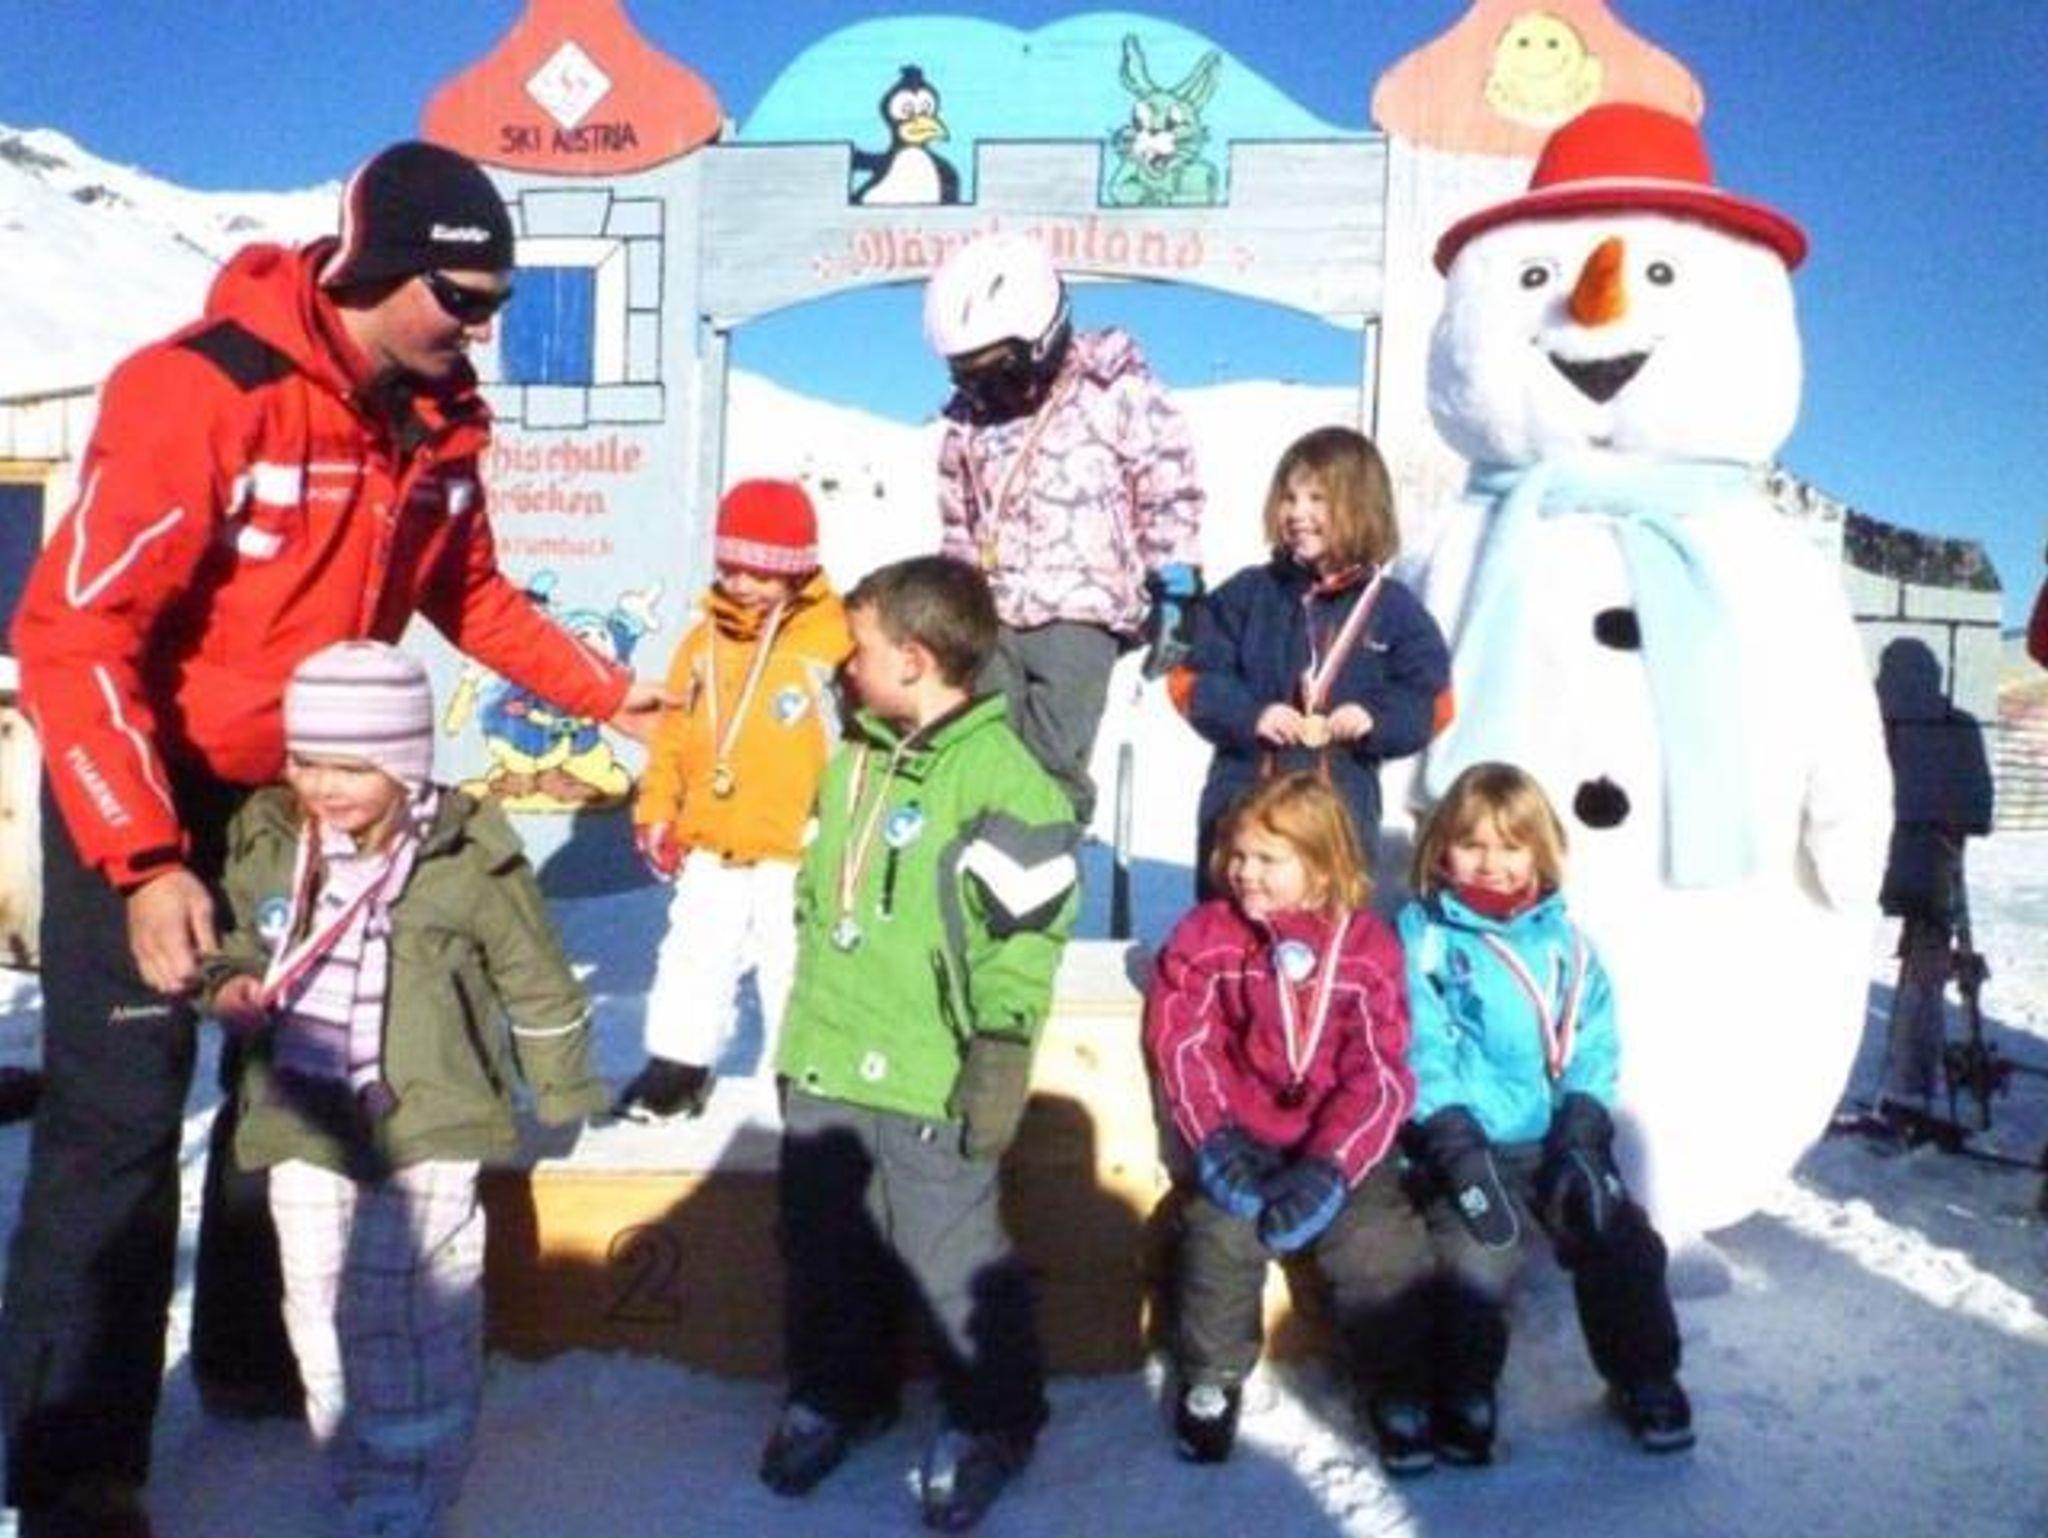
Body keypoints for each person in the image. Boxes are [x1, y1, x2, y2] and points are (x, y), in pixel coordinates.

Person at [3, 139, 666, 1537]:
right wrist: (144, 857)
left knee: (293, 1080)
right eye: (460, 298)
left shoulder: (439, 424)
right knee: (119, 1116)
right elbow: (74, 633)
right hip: (142, 784)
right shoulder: (203, 391)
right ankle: (72, 1463)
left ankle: (254, 1358)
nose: (479, 328)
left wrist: (612, 695)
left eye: (494, 303)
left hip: (298, 800)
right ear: (378, 267)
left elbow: (469, 594)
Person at [201, 641, 608, 1538]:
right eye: (307, 760)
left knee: (410, 1307)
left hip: (427, 1116)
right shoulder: (270, 841)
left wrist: (562, 1087)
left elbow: (535, 977)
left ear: (406, 761)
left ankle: (414, 1481)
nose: (324, 785)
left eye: (352, 766)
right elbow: (237, 944)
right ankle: (349, 1463)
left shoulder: (466, 858)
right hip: (303, 1116)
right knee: (315, 1298)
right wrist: (228, 986)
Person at [761, 555, 1080, 1533]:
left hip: (929, 1071)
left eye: (858, 649)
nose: (843, 666)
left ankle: (993, 1416)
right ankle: (840, 1390)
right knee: (823, 1243)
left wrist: (1001, 1049)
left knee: (950, 1257)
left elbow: (1023, 940)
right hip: (827, 1054)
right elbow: (820, 900)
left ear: (914, 657)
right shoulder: (853, 757)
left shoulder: (1007, 782)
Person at [1398, 762, 1692, 1465]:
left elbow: (1593, 1043)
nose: (1491, 863)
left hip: (1554, 1139)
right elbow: (1418, 1042)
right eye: (1472, 844)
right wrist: (1452, 1139)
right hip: (1466, 1142)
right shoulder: (1428, 937)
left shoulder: (1567, 946)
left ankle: (1645, 1377)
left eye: (1511, 846)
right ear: (1441, 849)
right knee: (1477, 1253)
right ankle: (1463, 1392)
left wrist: (1583, 1129)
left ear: (1541, 852)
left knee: (1618, 1236)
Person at [1142, 773, 1431, 1473]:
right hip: (1242, 1139)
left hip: (1339, 1148)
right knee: (1217, 1234)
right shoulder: (1208, 936)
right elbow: (1184, 1043)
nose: (1245, 872)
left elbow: (1380, 1072)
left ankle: (1395, 1384)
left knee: (1378, 1243)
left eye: (1268, 859)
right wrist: (1213, 1139)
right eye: (1237, 855)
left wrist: (1333, 1166)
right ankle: (1212, 1377)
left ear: (1323, 867)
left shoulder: (1367, 949)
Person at [925, 230, 1205, 823]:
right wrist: (954, 596)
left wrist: (1176, 580)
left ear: (1043, 340)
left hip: (1083, 607)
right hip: (992, 609)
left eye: (997, 373)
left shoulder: (1116, 391)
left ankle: (1044, 849)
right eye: (967, 376)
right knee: (985, 741)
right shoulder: (969, 423)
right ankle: (981, 851)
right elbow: (959, 517)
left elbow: (1166, 481)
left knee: (1054, 753)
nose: (985, 392)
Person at [617, 479, 850, 1120]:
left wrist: (841, 823)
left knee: (793, 960)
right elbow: (672, 734)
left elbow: (859, 737)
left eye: (762, 573)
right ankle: (678, 1065)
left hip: (796, 840)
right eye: (731, 568)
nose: (742, 584)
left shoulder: (832, 639)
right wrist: (657, 808)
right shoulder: (701, 642)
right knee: (693, 953)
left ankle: (798, 1070)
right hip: (711, 836)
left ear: (796, 569)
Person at [1174, 426, 1448, 893]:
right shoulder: (1248, 594)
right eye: (1289, 498)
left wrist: (1375, 719)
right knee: (1232, 913)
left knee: (1330, 913)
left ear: (1361, 506)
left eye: (1317, 499)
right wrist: (1250, 715)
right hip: (1245, 793)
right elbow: (1190, 677)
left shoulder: (1394, 608)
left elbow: (1432, 699)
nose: (1297, 513)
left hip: (1340, 802)